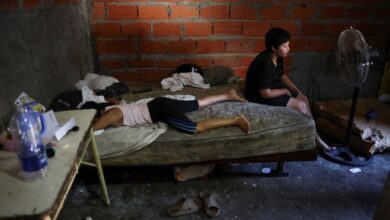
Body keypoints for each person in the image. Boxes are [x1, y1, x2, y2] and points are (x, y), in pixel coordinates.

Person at [245, 27, 332, 151]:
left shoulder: (277, 57)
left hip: (272, 90)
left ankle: (315, 137)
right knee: (301, 106)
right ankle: (312, 138)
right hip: (258, 96)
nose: (288, 49)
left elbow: (282, 75)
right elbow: (265, 93)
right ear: (274, 48)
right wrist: (285, 91)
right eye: (285, 46)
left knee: (304, 99)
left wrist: (296, 92)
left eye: (288, 45)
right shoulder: (265, 63)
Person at [92, 89, 250, 135]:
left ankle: (235, 120)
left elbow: (93, 129)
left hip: (160, 110)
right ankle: (228, 94)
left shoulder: (111, 114)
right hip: (159, 103)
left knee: (195, 128)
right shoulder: (114, 107)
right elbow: (114, 101)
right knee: (198, 103)